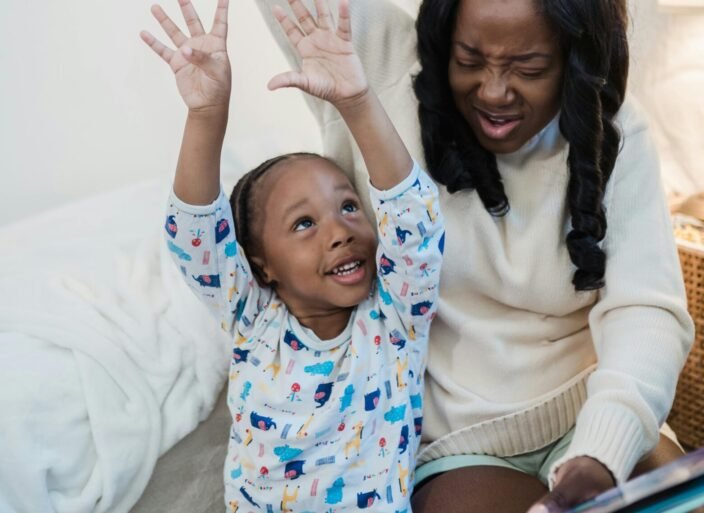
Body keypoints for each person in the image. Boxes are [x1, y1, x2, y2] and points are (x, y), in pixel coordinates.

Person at [255, 0, 695, 512]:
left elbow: (646, 313)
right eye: (468, 60)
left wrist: (602, 451)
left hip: (596, 410)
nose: (492, 91)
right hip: (463, 444)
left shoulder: (615, 130)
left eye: (528, 68)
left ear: (574, 58)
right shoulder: (381, 70)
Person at [141, 0, 445, 510]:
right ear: (263, 264)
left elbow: (414, 219)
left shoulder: (394, 321)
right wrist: (206, 113)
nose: (340, 231)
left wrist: (357, 102)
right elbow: (194, 234)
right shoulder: (252, 320)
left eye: (349, 207)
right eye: (304, 223)